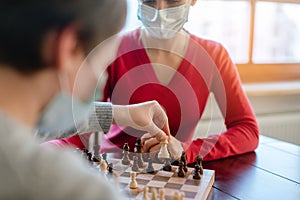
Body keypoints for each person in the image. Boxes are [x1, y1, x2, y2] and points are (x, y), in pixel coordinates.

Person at [44, 0, 259, 164]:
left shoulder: (214, 55)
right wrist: (45, 149)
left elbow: (247, 130)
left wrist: (186, 150)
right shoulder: (113, 49)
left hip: (175, 175)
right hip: (115, 171)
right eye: (149, 0)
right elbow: (81, 123)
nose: (160, 11)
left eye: (172, 0)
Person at [0, 0, 170, 199]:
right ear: (69, 47)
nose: (102, 78)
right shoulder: (64, 187)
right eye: (102, 65)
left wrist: (123, 114)